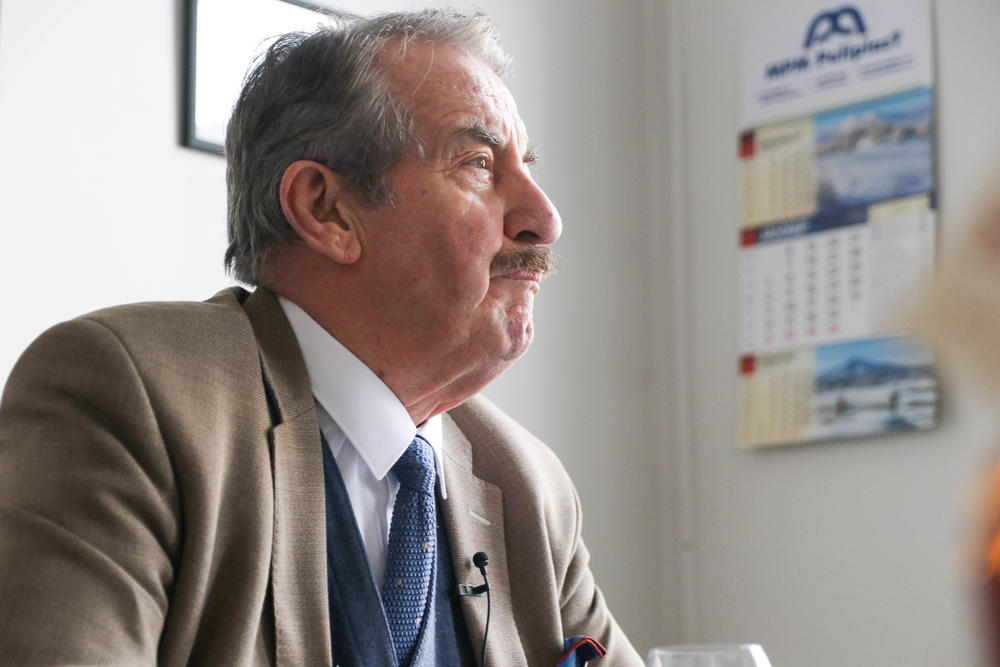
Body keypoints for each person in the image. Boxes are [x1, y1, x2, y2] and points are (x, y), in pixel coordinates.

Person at [0, 9, 643, 666]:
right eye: (478, 163)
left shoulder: (528, 485)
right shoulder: (130, 398)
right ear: (326, 209)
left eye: (526, 167)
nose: (546, 219)